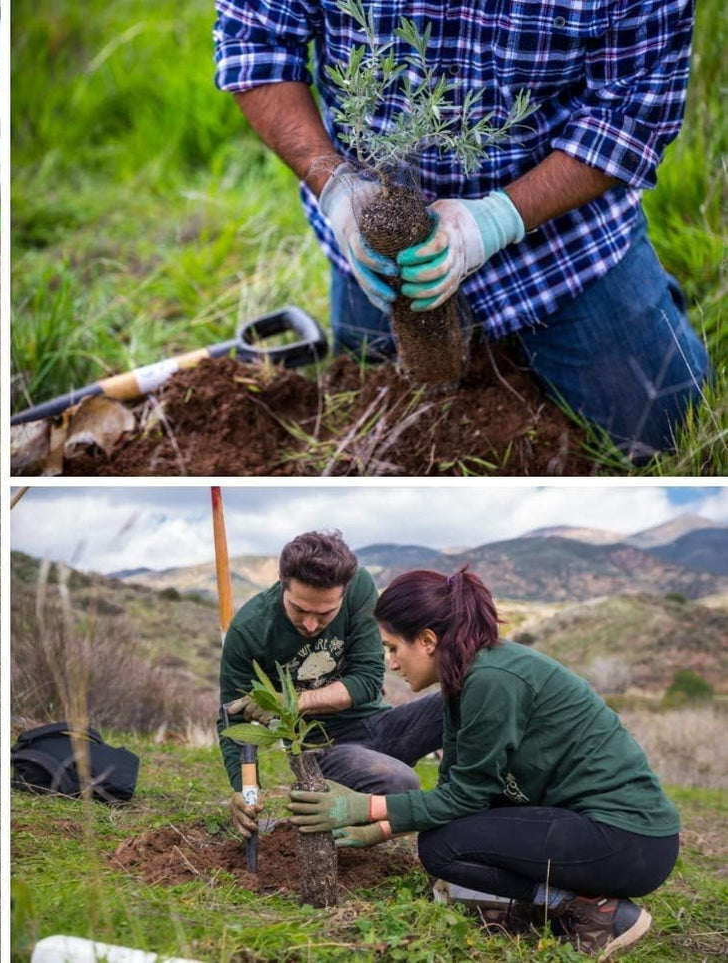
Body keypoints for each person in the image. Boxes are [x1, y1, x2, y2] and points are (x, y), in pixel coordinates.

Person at [213, 0, 710, 459]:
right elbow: (255, 43)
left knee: (660, 430)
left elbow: (634, 115)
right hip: (377, 237)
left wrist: (496, 220)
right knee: (370, 391)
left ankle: (636, 298)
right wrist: (338, 191)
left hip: (561, 242)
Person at [287, 567, 679, 960]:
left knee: (443, 848)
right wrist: (384, 828)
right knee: (447, 840)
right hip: (594, 830)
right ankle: (551, 903)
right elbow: (458, 792)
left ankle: (594, 908)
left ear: (426, 641)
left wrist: (363, 806)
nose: (391, 663)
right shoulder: (465, 679)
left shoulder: (492, 679)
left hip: (630, 840)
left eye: (392, 648)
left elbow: (467, 797)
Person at [217, 530, 443, 843]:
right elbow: (232, 717)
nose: (310, 625)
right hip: (322, 745)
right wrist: (244, 791)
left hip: (379, 721)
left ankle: (460, 815)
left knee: (458, 701)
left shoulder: (359, 587)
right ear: (282, 580)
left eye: (325, 613)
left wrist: (293, 702)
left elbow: (366, 682)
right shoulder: (251, 629)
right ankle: (325, 797)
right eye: (299, 609)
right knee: (400, 782)